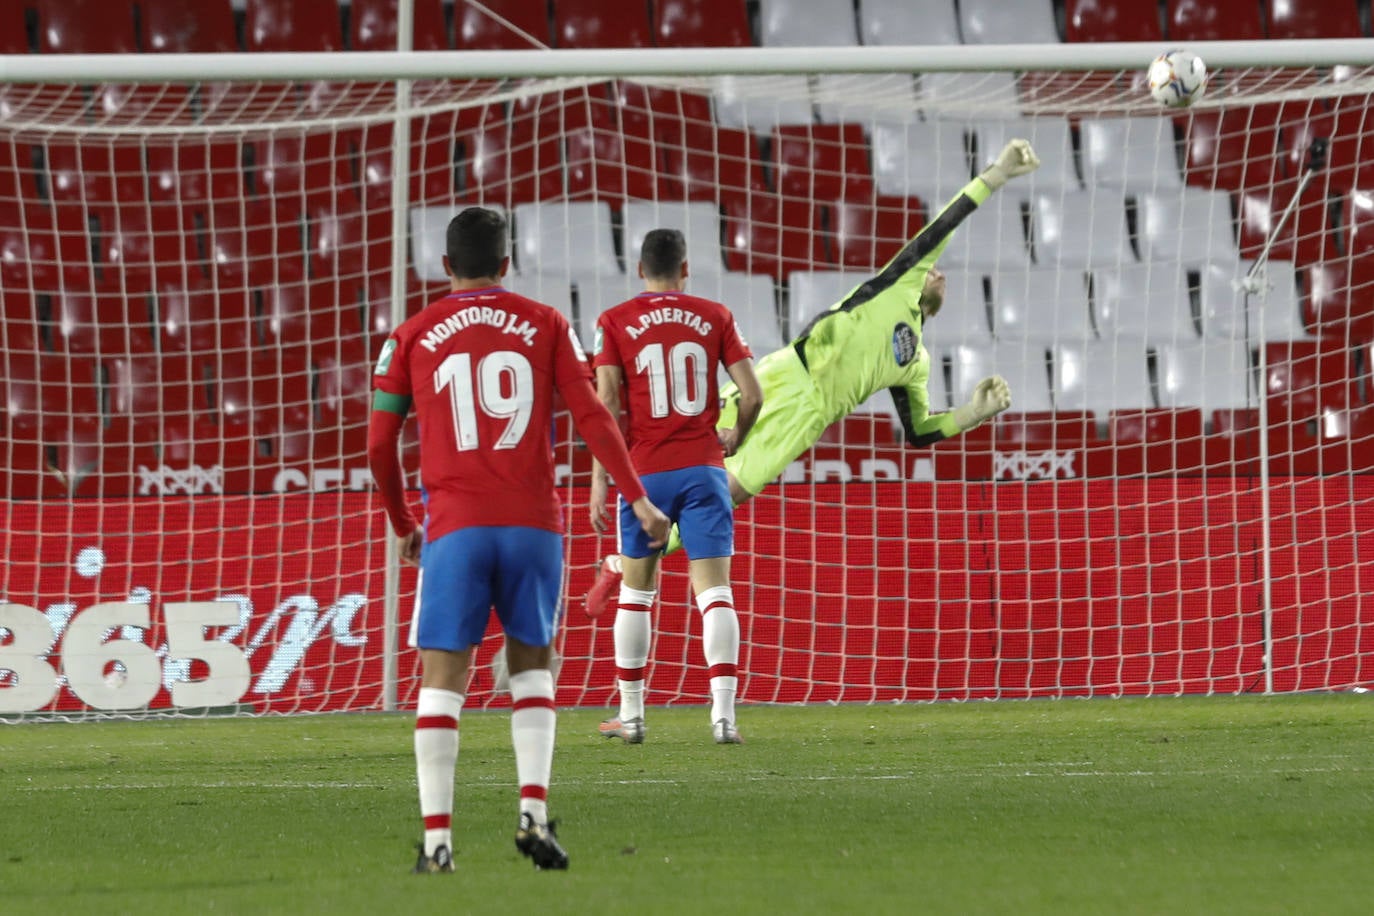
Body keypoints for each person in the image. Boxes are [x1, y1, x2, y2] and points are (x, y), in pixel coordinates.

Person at [585, 139, 1040, 615]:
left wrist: (973, 412)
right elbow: (946, 221)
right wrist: (997, 175)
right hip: (784, 370)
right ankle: (630, 532)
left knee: (726, 492)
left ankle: (621, 565)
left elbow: (920, 431)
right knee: (677, 438)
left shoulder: (917, 364)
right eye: (936, 272)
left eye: (945, 281)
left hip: (809, 414)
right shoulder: (899, 278)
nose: (940, 276)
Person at [368, 207, 670, 874]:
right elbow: (593, 414)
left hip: (455, 527)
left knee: (443, 681)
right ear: (506, 264)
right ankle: (533, 816)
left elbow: (379, 443)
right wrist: (638, 498)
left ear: (444, 267)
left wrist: (402, 526)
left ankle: (439, 843)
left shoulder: (413, 334)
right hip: (534, 526)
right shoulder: (546, 323)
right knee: (534, 669)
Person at [586, 229, 763, 746]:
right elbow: (752, 396)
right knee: (715, 594)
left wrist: (601, 479)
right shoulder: (715, 315)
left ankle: (633, 717)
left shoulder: (614, 321)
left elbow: (606, 407)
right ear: (685, 270)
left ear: (640, 270)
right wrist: (735, 436)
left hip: (645, 473)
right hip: (704, 469)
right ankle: (724, 718)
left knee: (637, 594)